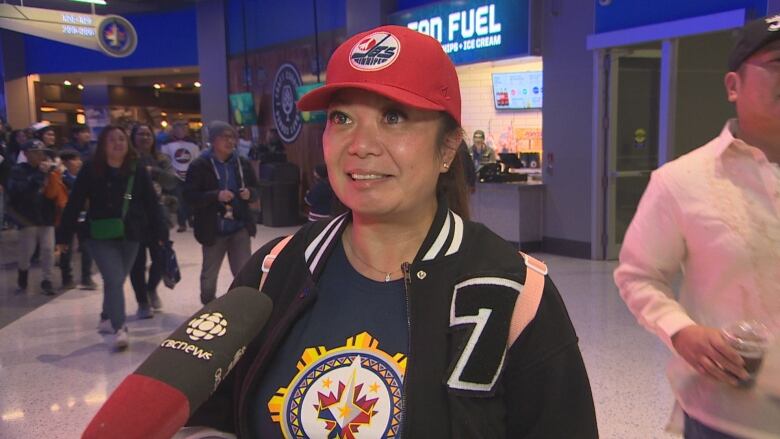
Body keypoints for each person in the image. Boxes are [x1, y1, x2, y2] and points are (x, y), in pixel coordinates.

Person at [185, 25, 597, 438]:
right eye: (341, 118)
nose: (361, 144)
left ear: (448, 148)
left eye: (393, 117)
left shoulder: (515, 294)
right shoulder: (273, 270)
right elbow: (213, 412)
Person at [614, 16, 780, 439]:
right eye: (777, 63)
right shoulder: (683, 181)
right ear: (732, 86)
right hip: (729, 417)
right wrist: (681, 331)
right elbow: (638, 275)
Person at [57, 125, 168, 350]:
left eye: (121, 139)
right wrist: (64, 236)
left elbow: (151, 204)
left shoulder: (137, 170)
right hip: (99, 234)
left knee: (115, 280)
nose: (118, 143)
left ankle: (106, 316)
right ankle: (119, 327)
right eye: (112, 140)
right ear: (102, 145)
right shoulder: (91, 169)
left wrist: (160, 232)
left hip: (132, 234)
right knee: (115, 279)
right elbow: (74, 202)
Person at [183, 121, 259, 305]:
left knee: (244, 272)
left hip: (239, 225)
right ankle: (208, 305)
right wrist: (215, 195)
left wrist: (250, 193)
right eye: (224, 137)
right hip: (213, 227)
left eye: (232, 136)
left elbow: (256, 188)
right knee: (209, 276)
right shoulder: (199, 165)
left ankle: (243, 307)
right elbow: (190, 196)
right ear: (213, 140)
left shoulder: (242, 163)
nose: (230, 141)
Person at [129, 123, 178, 317]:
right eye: (140, 134)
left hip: (158, 218)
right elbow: (123, 193)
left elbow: (172, 182)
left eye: (148, 134)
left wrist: (154, 173)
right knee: (137, 263)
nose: (144, 137)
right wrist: (130, 200)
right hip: (135, 220)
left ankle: (151, 289)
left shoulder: (161, 159)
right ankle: (142, 302)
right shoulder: (128, 160)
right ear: (133, 138)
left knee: (160, 258)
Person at [6, 140, 62, 295]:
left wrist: (54, 172)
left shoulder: (48, 169)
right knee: (27, 251)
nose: (39, 155)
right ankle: (23, 273)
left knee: (48, 249)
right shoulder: (18, 171)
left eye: (41, 152)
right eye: (35, 152)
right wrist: (40, 174)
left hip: (46, 215)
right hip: (27, 218)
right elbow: (20, 192)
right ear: (25, 154)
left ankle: (47, 280)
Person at [56, 149, 96, 291]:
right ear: (65, 163)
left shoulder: (85, 176)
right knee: (66, 247)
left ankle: (87, 277)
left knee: (86, 247)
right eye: (74, 160)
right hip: (67, 216)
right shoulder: (61, 178)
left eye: (79, 159)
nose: (78, 162)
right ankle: (66, 277)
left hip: (85, 215)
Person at [160, 120, 200, 232]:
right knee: (179, 200)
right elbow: (165, 159)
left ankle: (191, 218)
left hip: (190, 175)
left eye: (183, 129)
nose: (181, 131)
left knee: (191, 199)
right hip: (175, 175)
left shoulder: (193, 144)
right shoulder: (167, 144)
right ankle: (182, 223)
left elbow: (196, 159)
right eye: (178, 129)